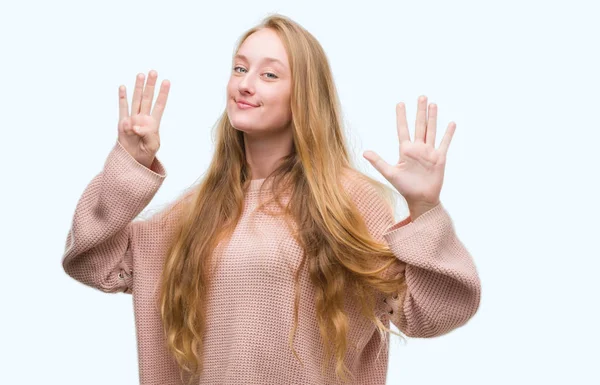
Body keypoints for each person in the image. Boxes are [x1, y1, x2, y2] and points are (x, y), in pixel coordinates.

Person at [61, 13, 481, 385]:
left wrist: (425, 209)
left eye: (269, 74)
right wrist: (130, 164)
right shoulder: (194, 213)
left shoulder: (346, 201)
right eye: (240, 68)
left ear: (304, 96)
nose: (244, 84)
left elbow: (434, 312)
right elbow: (91, 259)